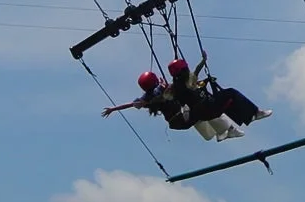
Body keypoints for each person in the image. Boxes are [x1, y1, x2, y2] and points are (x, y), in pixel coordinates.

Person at [102, 70, 240, 141]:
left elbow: (130, 104)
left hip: (177, 122)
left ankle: (220, 133)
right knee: (203, 107)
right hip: (181, 118)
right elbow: (172, 90)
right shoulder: (159, 91)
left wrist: (113, 109)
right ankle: (228, 130)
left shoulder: (146, 98)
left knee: (199, 117)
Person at [166, 56, 272, 133]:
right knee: (231, 93)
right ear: (183, 71)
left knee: (227, 102)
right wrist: (204, 61)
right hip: (206, 107)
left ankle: (248, 117)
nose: (188, 70)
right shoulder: (184, 85)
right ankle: (255, 113)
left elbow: (176, 95)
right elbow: (194, 78)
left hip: (203, 113)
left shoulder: (176, 87)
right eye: (186, 69)